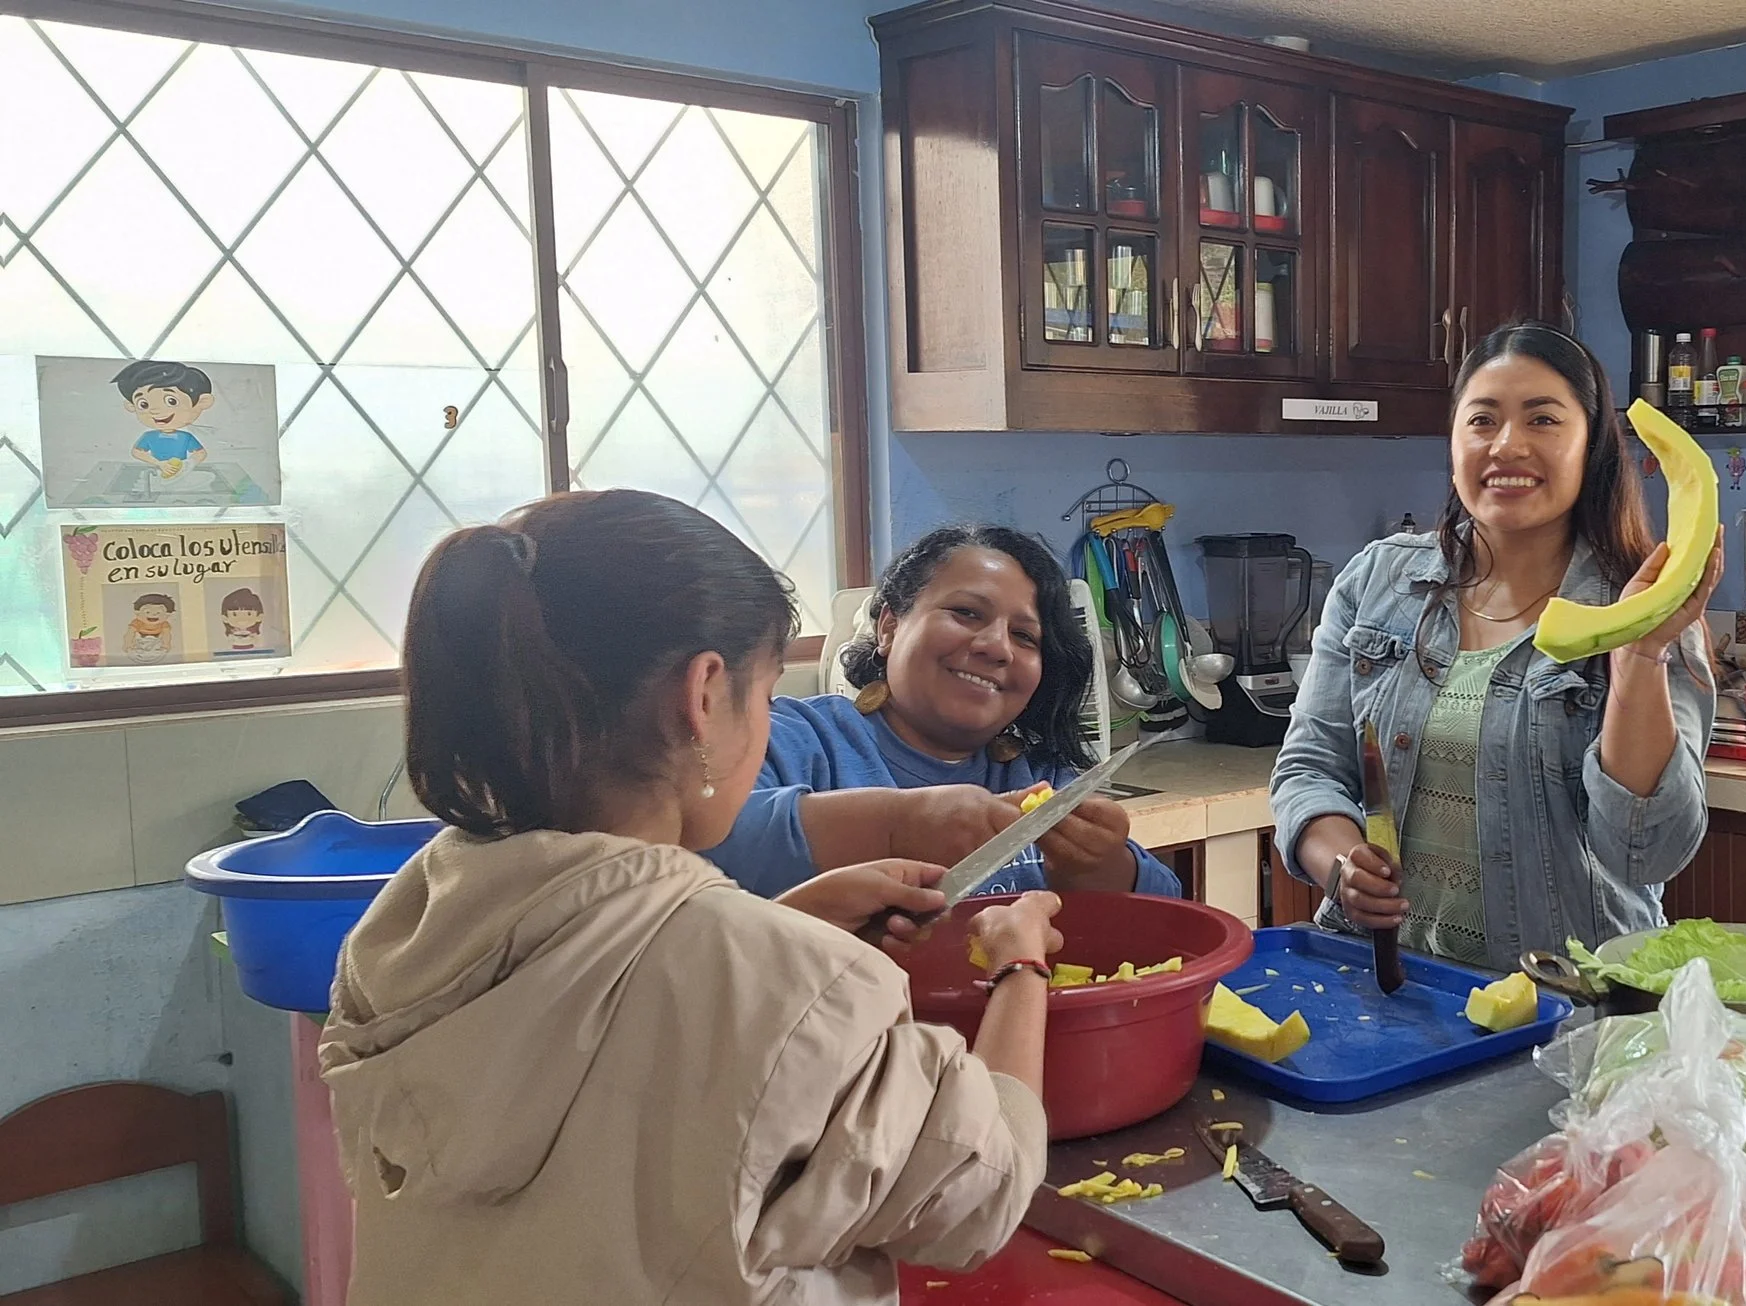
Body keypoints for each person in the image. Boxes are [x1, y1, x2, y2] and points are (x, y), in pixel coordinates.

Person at [321, 490, 1060, 1303]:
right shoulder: (789, 979)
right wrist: (1020, 964)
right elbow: (979, 1189)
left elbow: (598, 1012)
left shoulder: (407, 919)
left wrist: (782, 925)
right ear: (704, 694)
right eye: (764, 693)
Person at [1272, 321, 1722, 965]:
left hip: (1567, 1000)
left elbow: (1645, 852)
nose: (1507, 445)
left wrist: (1639, 659)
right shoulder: (1378, 581)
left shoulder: (1641, 608)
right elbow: (1310, 769)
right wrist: (1341, 862)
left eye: (1543, 421)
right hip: (1388, 980)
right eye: (1483, 420)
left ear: (1591, 444)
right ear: (1454, 438)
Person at [706, 523, 1182, 900]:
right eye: (967, 613)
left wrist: (1103, 866)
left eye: (1025, 636)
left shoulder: (1038, 777)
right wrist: (899, 827)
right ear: (889, 626)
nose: (997, 647)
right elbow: (699, 842)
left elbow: (1169, 912)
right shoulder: (794, 739)